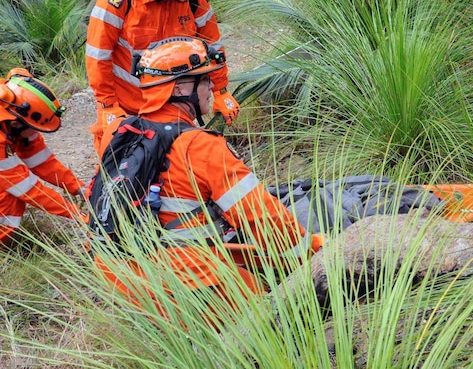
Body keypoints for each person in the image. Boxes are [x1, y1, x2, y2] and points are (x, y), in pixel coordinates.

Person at [90, 37, 321, 323]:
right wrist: (313, 251)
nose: (211, 87)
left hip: (119, 277)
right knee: (277, 310)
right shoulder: (200, 146)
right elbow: (263, 218)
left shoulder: (119, 133)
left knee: (244, 263)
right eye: (203, 80)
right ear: (180, 89)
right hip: (180, 282)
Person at [85, 0, 241, 154]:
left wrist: (221, 90)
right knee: (121, 170)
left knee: (179, 167)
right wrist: (108, 105)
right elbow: (97, 57)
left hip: (173, 104)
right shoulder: (119, 0)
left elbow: (212, 45)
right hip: (127, 105)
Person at [0, 69, 87, 258]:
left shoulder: (6, 118)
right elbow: (28, 190)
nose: (35, 134)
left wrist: (78, 187)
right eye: (32, 128)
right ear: (15, 124)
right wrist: (77, 214)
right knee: (5, 199)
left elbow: (43, 162)